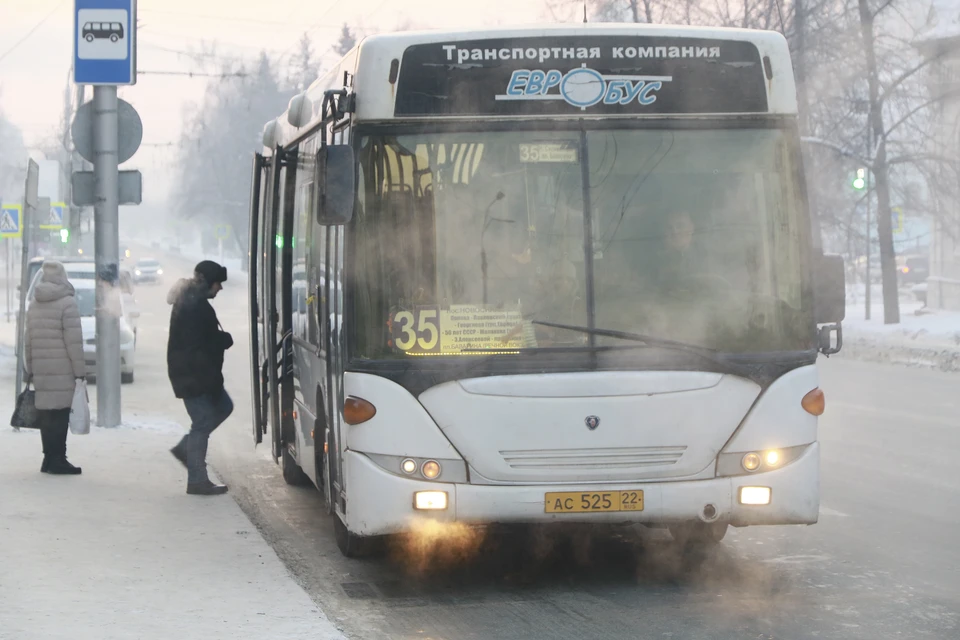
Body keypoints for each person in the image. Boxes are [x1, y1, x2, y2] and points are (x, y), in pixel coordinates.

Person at [166, 260, 234, 495]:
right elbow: (200, 344)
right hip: (192, 374)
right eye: (218, 284)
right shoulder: (195, 305)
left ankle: (187, 448)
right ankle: (197, 479)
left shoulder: (193, 300)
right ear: (206, 282)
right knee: (203, 422)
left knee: (224, 407)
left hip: (196, 373)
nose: (220, 289)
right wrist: (223, 340)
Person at [23, 261, 86, 475]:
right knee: (60, 415)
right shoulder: (67, 303)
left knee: (46, 416)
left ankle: (48, 459)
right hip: (63, 370)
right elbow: (74, 342)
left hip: (41, 369)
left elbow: (28, 339)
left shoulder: (34, 302)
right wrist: (80, 372)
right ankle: (58, 459)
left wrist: (30, 367)